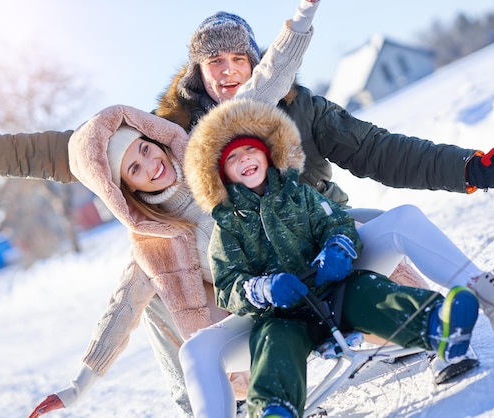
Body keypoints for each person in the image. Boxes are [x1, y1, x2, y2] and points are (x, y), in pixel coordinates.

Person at [0, 2, 494, 371]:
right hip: (248, 267)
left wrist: (472, 167)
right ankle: (217, 400)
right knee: (153, 295)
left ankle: (490, 298)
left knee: (395, 265)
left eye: (239, 59)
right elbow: (66, 149)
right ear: (199, 74)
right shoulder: (170, 134)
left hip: (325, 232)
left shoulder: (299, 108)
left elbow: (380, 152)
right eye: (215, 62)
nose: (229, 71)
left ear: (257, 61)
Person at [26, 2, 322, 417]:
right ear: (125, 187)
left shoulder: (206, 152)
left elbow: (266, 83)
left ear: (155, 138)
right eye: (135, 167)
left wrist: (302, 17)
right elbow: (121, 310)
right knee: (154, 300)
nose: (152, 164)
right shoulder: (153, 238)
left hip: (297, 274)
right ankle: (210, 405)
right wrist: (77, 387)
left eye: (146, 148)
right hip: (256, 311)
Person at [181, 97, 494, 418]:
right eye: (234, 159)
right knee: (274, 343)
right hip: (280, 313)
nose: (246, 159)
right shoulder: (228, 225)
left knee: (372, 293)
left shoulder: (299, 192)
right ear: (221, 176)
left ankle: (440, 324)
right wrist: (264, 289)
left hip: (335, 287)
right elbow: (229, 283)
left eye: (251, 150)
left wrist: (338, 248)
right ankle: (275, 409)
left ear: (268, 152)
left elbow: (339, 220)